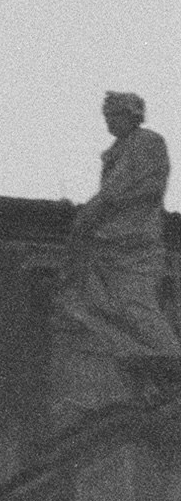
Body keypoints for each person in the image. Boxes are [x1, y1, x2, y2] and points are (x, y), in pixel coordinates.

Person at [51, 91, 180, 420]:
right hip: (112, 239)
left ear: (130, 114)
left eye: (113, 114)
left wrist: (97, 211)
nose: (108, 120)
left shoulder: (146, 142)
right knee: (109, 303)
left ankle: (170, 357)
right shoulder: (120, 149)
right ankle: (144, 362)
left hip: (135, 239)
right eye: (106, 114)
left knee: (135, 303)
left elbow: (138, 188)